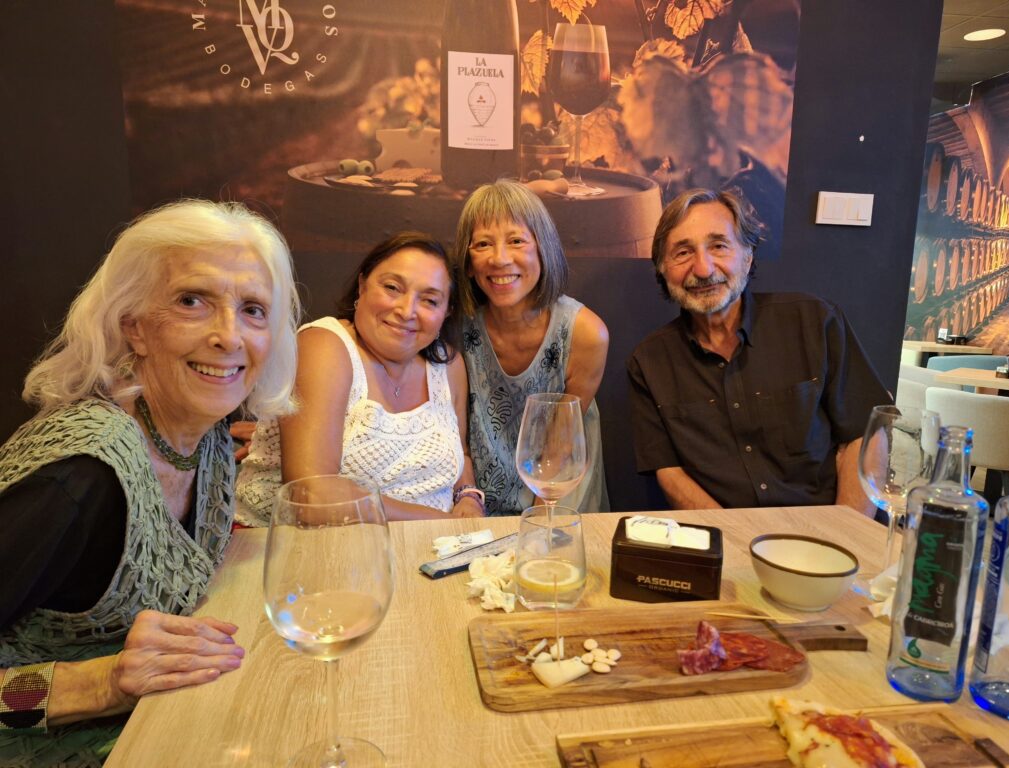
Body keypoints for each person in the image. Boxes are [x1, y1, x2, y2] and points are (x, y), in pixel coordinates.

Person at [0, 199, 300, 764]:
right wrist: (101, 683)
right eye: (193, 301)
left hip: (161, 729)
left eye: (254, 310)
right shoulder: (81, 477)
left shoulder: (203, 432)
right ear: (133, 326)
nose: (229, 336)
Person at [627, 188, 890, 514]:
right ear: (663, 270)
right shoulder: (650, 361)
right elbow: (669, 471)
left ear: (748, 254)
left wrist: (845, 535)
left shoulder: (814, 322)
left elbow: (865, 434)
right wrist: (734, 541)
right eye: (682, 253)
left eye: (719, 246)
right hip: (722, 539)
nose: (704, 268)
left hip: (822, 535)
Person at [236, 232, 483, 523]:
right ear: (363, 285)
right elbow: (310, 495)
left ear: (447, 312)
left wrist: (467, 496)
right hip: (297, 548)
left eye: (429, 300)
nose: (406, 311)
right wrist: (444, 525)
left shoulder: (447, 362)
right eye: (392, 288)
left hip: (428, 553)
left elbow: (460, 454)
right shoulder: (324, 345)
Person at [453, 179, 610, 515]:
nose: (500, 259)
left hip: (558, 491)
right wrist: (467, 497)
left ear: (543, 248)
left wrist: (537, 528)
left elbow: (560, 447)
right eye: (482, 244)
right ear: (467, 262)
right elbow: (454, 434)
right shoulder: (454, 327)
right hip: (472, 498)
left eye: (516, 240)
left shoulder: (585, 333)